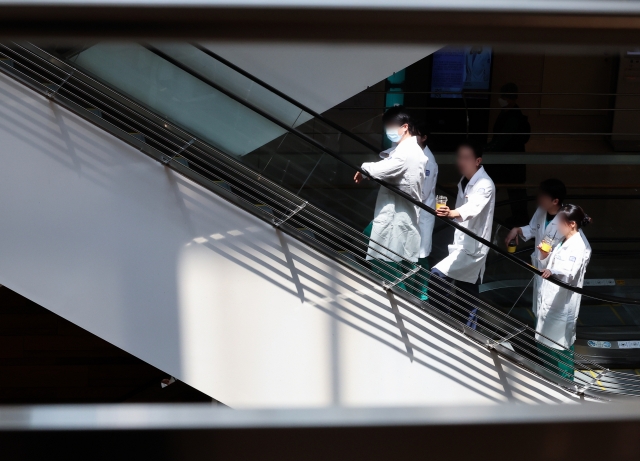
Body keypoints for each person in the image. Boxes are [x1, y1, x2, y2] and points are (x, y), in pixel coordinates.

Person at [354, 106, 426, 292]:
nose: (389, 131)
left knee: (384, 262)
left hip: (397, 215)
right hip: (394, 213)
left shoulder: (408, 151)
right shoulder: (404, 149)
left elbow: (390, 167)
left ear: (405, 127)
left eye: (392, 126)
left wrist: (364, 168)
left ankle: (405, 301)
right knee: (379, 252)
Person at [430, 143, 495, 329]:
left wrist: (451, 213)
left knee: (437, 276)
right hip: (462, 244)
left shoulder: (485, 184)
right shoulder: (464, 181)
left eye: (466, 158)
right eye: (460, 157)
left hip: (472, 248)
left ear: (477, 161)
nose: (461, 161)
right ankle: (468, 333)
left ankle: (442, 322)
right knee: (467, 291)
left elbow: (473, 208)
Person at [535, 204, 592, 381]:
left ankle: (568, 388)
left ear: (572, 224)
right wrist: (544, 255)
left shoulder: (580, 246)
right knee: (544, 346)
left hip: (562, 306)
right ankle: (549, 381)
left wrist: (552, 271)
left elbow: (569, 273)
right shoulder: (563, 239)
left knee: (561, 351)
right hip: (549, 301)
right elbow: (548, 264)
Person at [504, 179, 567, 315]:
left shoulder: (568, 220)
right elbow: (533, 229)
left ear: (555, 201)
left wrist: (553, 266)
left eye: (543, 196)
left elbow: (575, 251)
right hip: (539, 268)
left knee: (552, 313)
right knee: (539, 309)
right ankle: (537, 336)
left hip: (554, 274)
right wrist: (518, 229)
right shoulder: (541, 211)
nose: (539, 199)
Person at [485, 82, 531, 227]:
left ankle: (520, 220)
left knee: (511, 189)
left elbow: (502, 139)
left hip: (508, 160)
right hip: (509, 160)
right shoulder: (509, 112)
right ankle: (520, 219)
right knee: (514, 190)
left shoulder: (512, 116)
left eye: (504, 96)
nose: (501, 99)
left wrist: (488, 149)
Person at [414, 120, 438, 300]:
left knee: (421, 255)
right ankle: (414, 292)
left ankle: (422, 295)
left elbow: (422, 192)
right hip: (413, 213)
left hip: (422, 214)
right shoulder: (414, 154)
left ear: (424, 138)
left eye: (416, 134)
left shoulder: (429, 162)